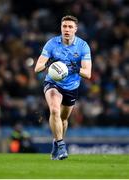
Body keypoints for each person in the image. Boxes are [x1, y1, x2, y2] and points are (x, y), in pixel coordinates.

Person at [34, 15, 92, 160]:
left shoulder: (83, 46)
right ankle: (61, 146)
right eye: (64, 26)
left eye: (70, 27)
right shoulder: (51, 44)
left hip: (71, 86)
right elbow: (37, 68)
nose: (67, 29)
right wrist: (48, 64)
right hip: (53, 83)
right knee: (54, 110)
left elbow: (88, 73)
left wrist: (76, 69)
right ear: (61, 28)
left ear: (75, 29)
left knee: (64, 119)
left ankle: (56, 141)